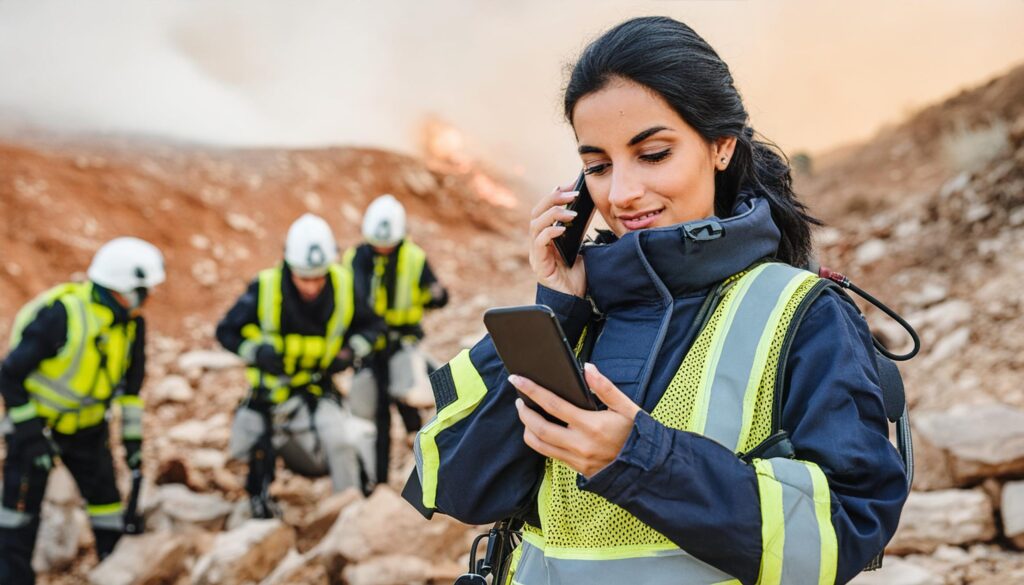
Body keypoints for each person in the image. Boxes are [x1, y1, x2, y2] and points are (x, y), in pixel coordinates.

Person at [406, 17, 908, 585]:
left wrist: (639, 460)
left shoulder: (803, 313)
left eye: (653, 154)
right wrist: (556, 307)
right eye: (597, 166)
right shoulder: (577, 312)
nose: (620, 193)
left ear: (720, 146)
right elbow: (454, 485)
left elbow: (845, 529)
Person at [0, 237, 164, 584]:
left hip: (89, 430)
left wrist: (132, 444)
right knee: (18, 515)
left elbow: (131, 391)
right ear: (121, 289)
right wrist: (29, 435)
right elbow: (9, 375)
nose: (147, 300)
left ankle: (113, 565)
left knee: (107, 505)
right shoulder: (62, 316)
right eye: (143, 291)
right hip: (38, 429)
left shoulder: (133, 325)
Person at [217, 213, 382, 516]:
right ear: (288, 265)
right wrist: (255, 352)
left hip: (318, 391)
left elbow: (372, 326)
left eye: (319, 277)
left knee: (342, 441)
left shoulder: (344, 285)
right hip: (270, 396)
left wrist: (349, 352)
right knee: (249, 444)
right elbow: (226, 331)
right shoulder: (265, 287)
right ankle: (258, 509)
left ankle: (351, 514)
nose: (312, 286)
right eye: (304, 278)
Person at [344, 194, 449, 486]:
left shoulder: (414, 258)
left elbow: (435, 295)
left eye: (388, 244)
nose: (382, 249)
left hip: (402, 343)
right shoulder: (357, 258)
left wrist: (437, 294)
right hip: (371, 347)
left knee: (407, 393)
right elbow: (350, 300)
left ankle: (424, 468)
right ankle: (376, 482)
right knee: (375, 414)